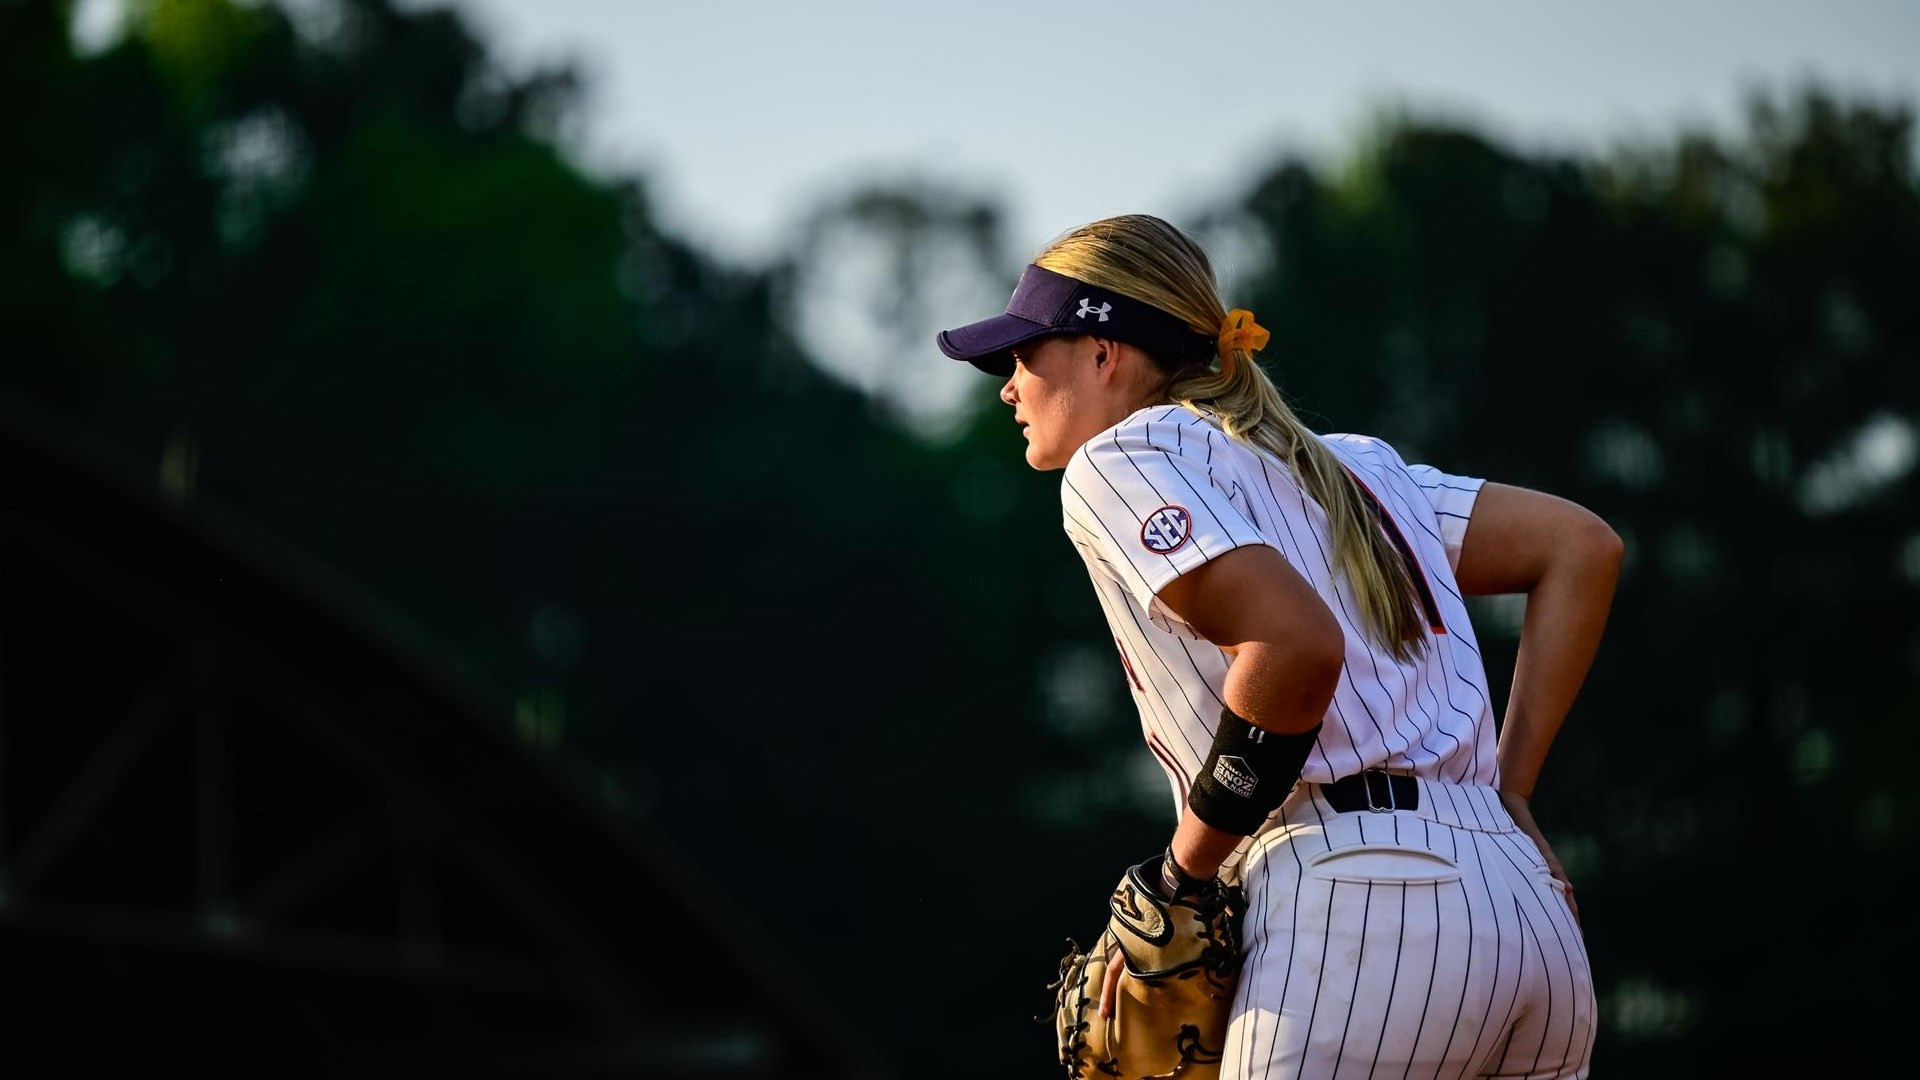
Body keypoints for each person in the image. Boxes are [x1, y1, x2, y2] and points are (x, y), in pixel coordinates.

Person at [936, 214, 1619, 1079]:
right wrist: (1511, 794)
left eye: (1024, 354)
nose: (1008, 385)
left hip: (1364, 902)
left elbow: (1294, 649)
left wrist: (1184, 876)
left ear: (1102, 352)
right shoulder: (1351, 466)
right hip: (1531, 918)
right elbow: (1581, 546)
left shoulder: (1115, 459)